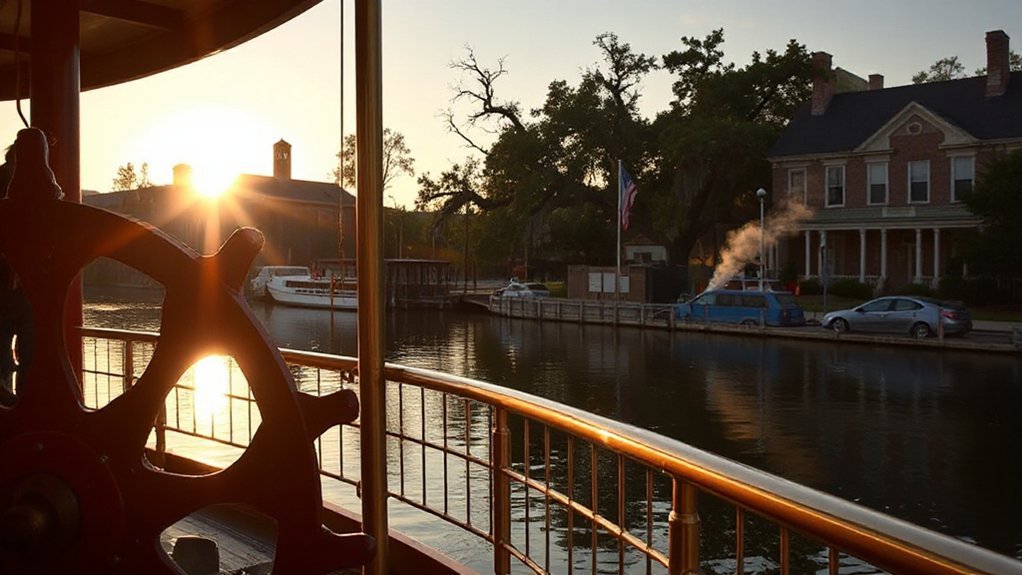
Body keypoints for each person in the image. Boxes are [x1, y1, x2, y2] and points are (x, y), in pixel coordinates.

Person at [0, 142, 33, 402]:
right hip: (22, 286)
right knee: (31, 351)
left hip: (12, 284)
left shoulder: (8, 179)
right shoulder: (26, 185)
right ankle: (25, 402)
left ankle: (10, 402)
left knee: (3, 350)